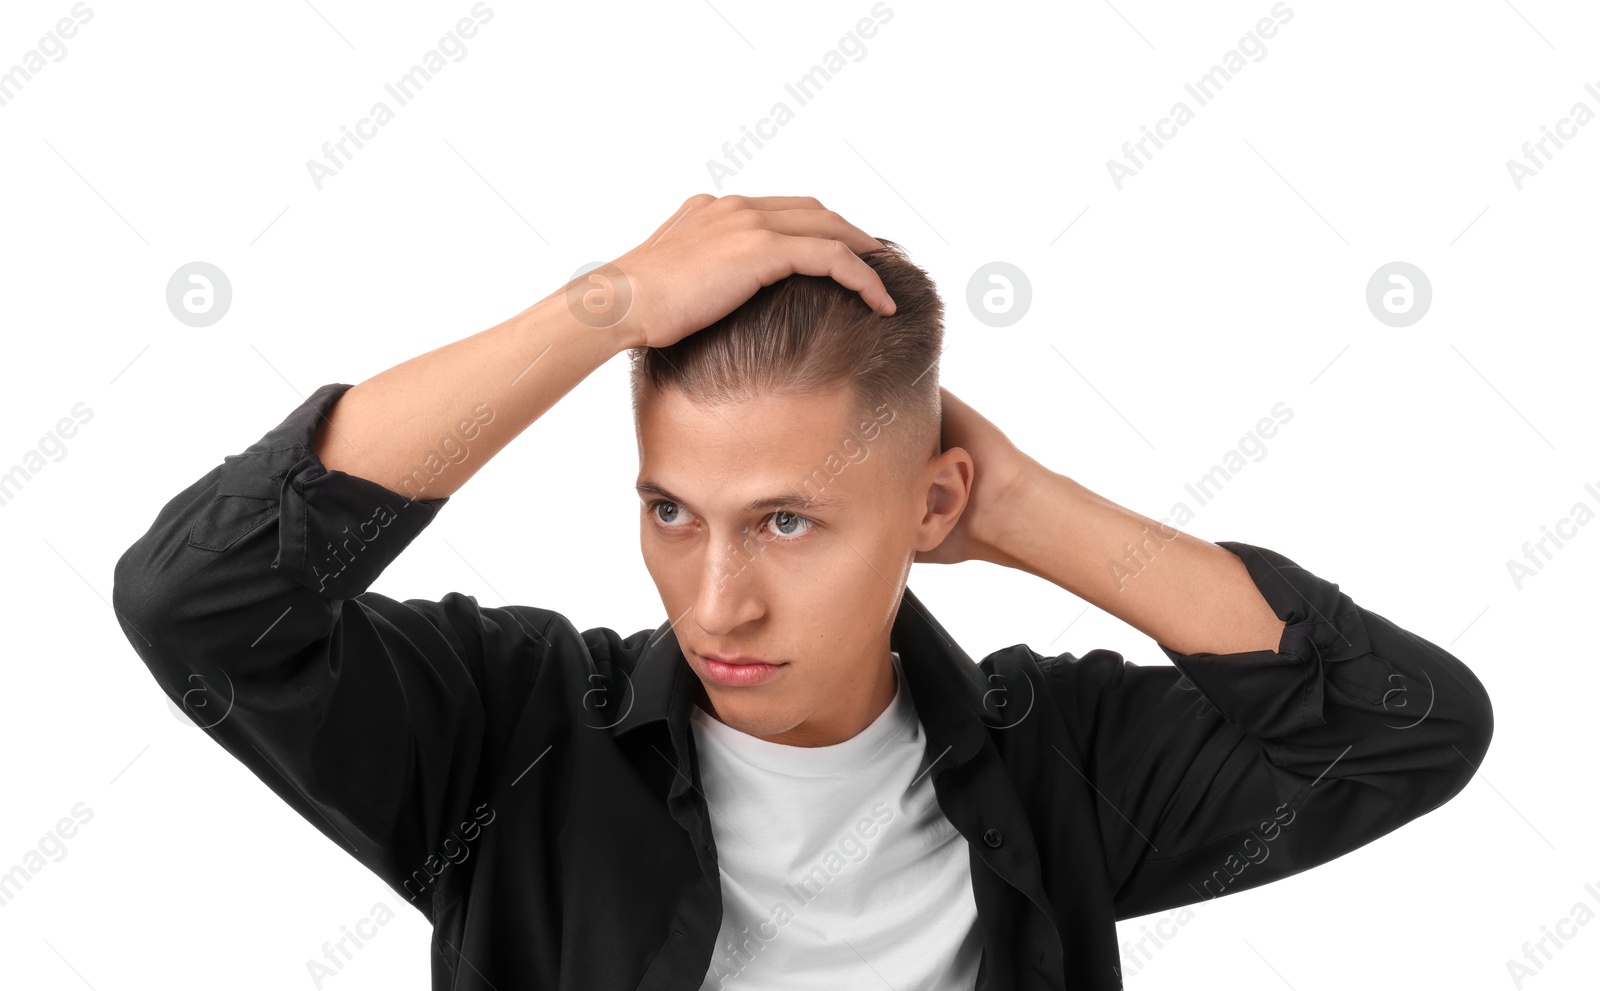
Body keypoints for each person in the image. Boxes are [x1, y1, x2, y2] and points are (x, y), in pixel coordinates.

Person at [112, 193, 1493, 990]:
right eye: (670, 511)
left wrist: (1017, 504)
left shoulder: (1057, 765)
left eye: (786, 520)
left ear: (929, 509)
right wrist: (597, 311)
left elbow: (1405, 729)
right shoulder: (510, 737)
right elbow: (200, 603)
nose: (717, 606)